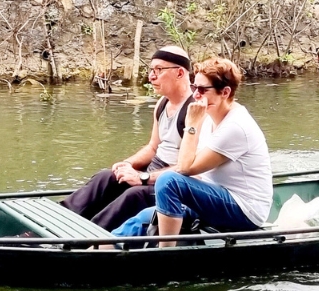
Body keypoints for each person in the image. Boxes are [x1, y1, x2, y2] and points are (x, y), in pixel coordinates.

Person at [114, 57, 273, 247]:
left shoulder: (236, 127)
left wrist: (191, 125)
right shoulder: (209, 118)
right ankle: (94, 250)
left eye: (203, 90)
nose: (196, 95)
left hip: (245, 210)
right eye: (194, 87)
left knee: (169, 181)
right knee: (143, 219)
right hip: (215, 195)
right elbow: (191, 170)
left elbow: (184, 168)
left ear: (225, 92)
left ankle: (164, 253)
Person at [60, 46, 194, 231]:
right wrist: (127, 164)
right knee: (106, 177)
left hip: (171, 185)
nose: (151, 77)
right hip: (152, 172)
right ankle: (56, 219)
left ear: (179, 73)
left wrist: (143, 178)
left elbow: (190, 168)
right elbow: (153, 148)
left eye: (159, 70)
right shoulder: (162, 104)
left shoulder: (196, 111)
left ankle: (86, 237)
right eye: (151, 70)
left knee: (135, 195)